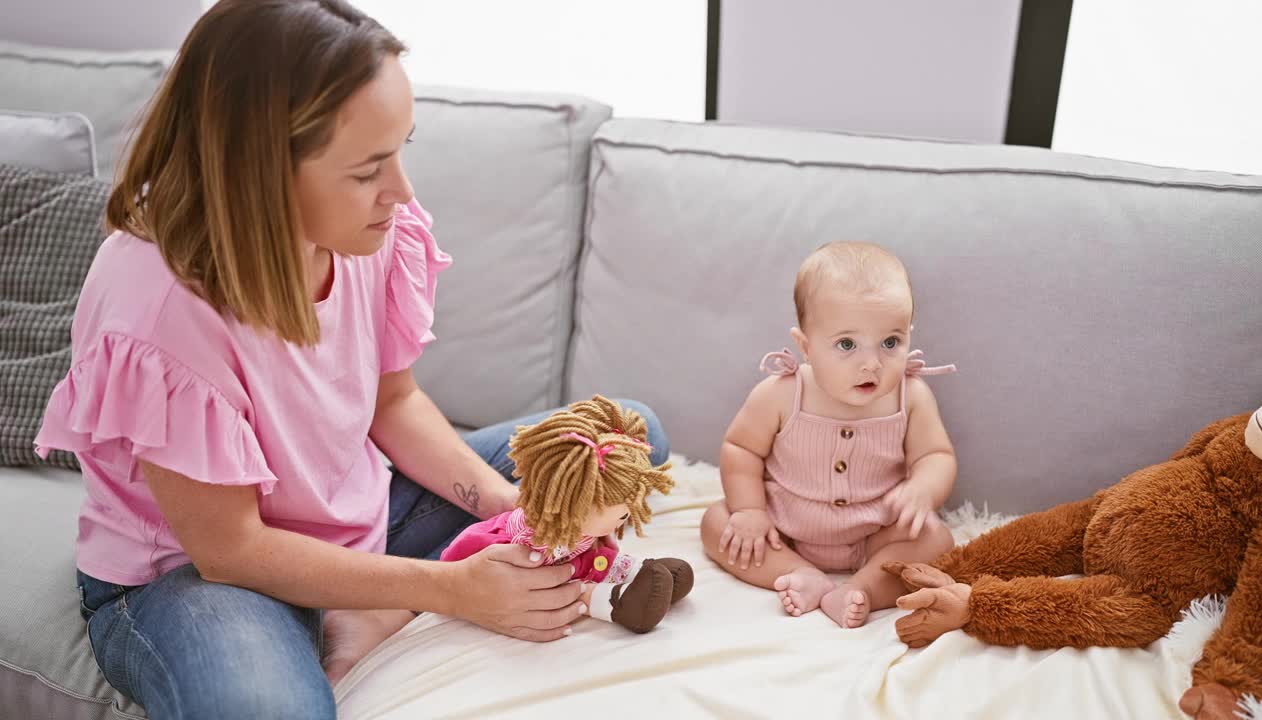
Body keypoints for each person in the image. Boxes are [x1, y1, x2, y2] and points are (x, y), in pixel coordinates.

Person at [33, 1, 667, 716]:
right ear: (262, 171)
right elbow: (231, 550)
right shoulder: (157, 304)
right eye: (369, 169)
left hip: (355, 519)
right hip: (199, 577)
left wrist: (515, 508)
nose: (402, 192)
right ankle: (372, 600)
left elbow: (391, 404)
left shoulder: (365, 230)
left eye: (402, 150)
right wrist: (452, 592)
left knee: (620, 441)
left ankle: (366, 601)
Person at [700, 241, 955, 628]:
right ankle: (800, 574)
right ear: (805, 346)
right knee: (716, 523)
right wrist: (751, 510)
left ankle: (861, 589)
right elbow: (741, 449)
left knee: (937, 541)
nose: (871, 363)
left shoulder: (911, 396)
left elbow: (936, 456)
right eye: (847, 345)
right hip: (784, 530)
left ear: (908, 335)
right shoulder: (782, 393)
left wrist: (924, 488)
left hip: (875, 535)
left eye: (891, 342)